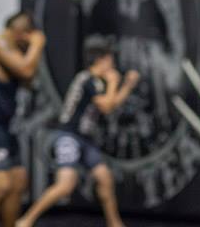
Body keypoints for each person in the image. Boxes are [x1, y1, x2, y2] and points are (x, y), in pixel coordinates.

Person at [16, 37, 139, 227]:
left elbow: (112, 103)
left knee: (104, 177)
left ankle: (115, 223)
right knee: (65, 185)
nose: (113, 64)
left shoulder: (97, 82)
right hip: (69, 136)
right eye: (110, 59)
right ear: (102, 60)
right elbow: (107, 107)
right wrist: (115, 82)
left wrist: (127, 86)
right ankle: (26, 220)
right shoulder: (87, 79)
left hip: (85, 138)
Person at [0, 12, 46, 227]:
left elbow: (29, 80)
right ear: (23, 34)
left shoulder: (15, 51)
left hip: (6, 128)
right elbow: (26, 70)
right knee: (0, 185)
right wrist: (38, 44)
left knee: (18, 181)